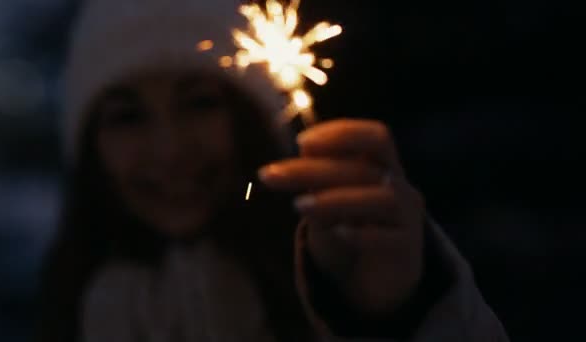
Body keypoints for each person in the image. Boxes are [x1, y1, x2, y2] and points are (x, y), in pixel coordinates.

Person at [36, 0, 509, 341]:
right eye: (127, 116)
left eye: (200, 103)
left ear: (254, 120)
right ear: (87, 144)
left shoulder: (341, 274)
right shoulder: (64, 309)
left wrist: (401, 315)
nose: (169, 150)